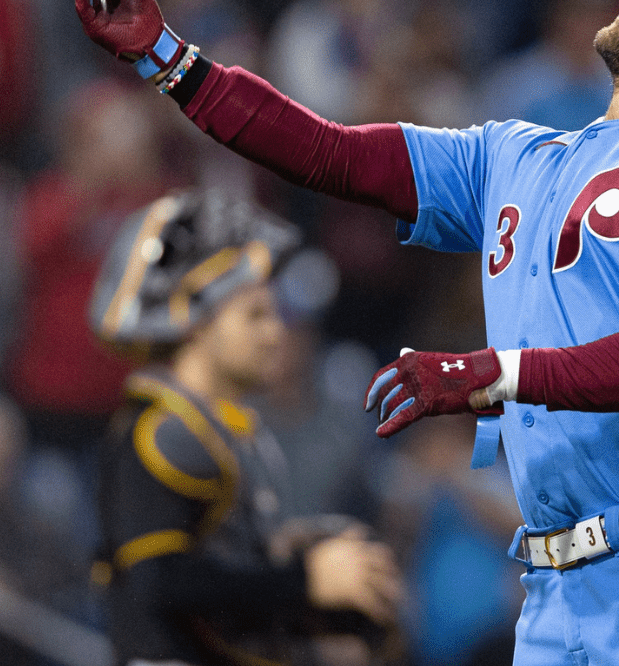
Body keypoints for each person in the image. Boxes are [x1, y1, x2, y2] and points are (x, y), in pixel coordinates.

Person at [72, 0, 619, 664]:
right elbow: (329, 154)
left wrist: (500, 373)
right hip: (553, 587)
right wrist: (171, 60)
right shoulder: (516, 153)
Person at [87, 189, 403, 666]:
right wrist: (306, 579)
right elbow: (159, 583)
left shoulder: (221, 428)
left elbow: (218, 582)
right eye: (254, 314)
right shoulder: (160, 431)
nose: (275, 332)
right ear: (193, 323)